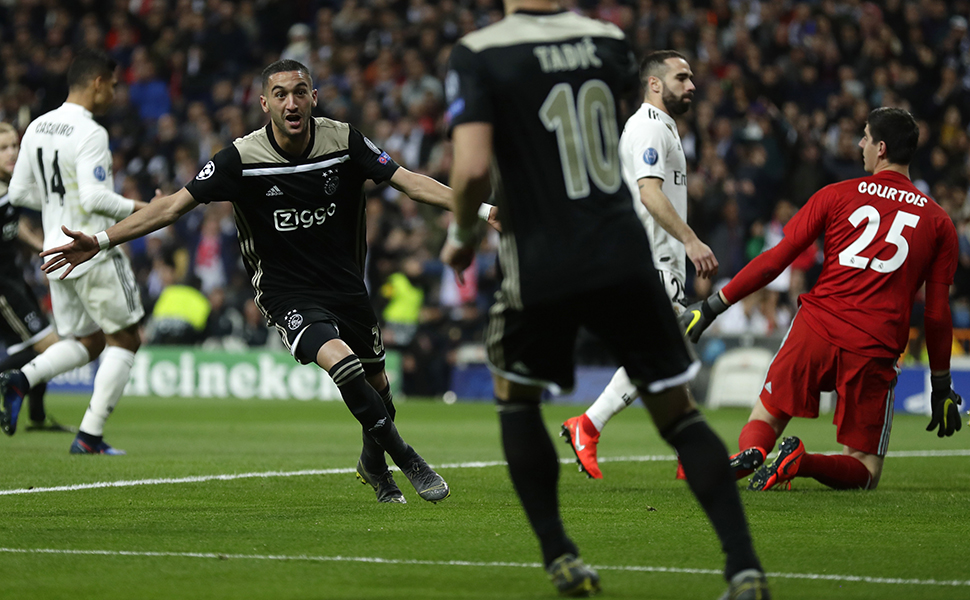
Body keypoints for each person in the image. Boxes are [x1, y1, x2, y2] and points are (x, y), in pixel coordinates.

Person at [440, 2, 768, 598]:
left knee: (517, 401)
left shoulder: (479, 53)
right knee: (680, 412)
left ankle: (562, 556)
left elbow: (471, 170)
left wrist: (462, 237)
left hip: (542, 254)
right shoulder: (607, 41)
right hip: (620, 250)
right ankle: (744, 567)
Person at [41, 59, 452, 504]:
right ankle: (408, 459)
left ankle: (373, 464)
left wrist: (483, 212)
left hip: (347, 287)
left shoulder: (345, 140)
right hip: (286, 290)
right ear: (264, 103)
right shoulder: (241, 158)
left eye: (300, 92)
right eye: (280, 94)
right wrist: (101, 240)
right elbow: (171, 207)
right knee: (343, 364)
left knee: (379, 389)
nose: (291, 102)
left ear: (313, 97)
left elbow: (410, 182)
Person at [682, 107, 963, 492]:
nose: (860, 144)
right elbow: (936, 313)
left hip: (815, 328)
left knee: (768, 413)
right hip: (874, 344)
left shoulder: (835, 194)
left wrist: (714, 305)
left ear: (881, 148)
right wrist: (942, 382)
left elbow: (776, 260)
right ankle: (801, 461)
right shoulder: (939, 222)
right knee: (864, 468)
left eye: (865, 137)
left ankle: (754, 452)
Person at [561, 50, 718, 480]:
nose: (691, 86)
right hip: (652, 260)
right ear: (654, 84)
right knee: (664, 351)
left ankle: (689, 454)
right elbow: (649, 192)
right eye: (682, 77)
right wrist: (691, 240)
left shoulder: (662, 128)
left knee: (671, 353)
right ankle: (588, 426)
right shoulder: (649, 127)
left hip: (655, 260)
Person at [1, 50, 149, 454]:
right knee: (126, 338)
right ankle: (90, 435)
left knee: (88, 341)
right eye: (114, 86)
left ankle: (22, 378)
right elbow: (97, 198)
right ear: (98, 82)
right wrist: (146, 210)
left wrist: (55, 206)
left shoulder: (37, 125)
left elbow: (17, 193)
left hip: (54, 253)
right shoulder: (91, 132)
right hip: (90, 249)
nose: (116, 94)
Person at [0, 122, 72, 433]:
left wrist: (45, 248)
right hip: (3, 288)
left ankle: (38, 419)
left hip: (14, 278)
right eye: (3, 148)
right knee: (50, 346)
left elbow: (13, 232)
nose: (12, 153)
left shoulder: (10, 188)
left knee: (28, 351)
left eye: (15, 145)